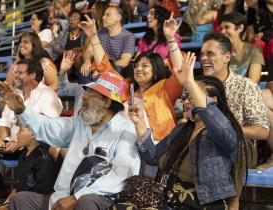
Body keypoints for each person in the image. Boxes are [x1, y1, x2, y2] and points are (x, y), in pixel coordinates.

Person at [111, 52, 246, 210]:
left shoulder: (224, 131)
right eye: (186, 96)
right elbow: (152, 157)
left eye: (192, 95)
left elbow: (217, 124)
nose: (186, 101)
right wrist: (139, 124)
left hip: (199, 205)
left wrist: (189, 82)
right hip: (166, 201)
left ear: (213, 101)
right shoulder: (181, 128)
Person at [0, 71, 141, 210]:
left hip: (103, 199)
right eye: (86, 92)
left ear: (107, 102)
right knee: (20, 200)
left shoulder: (126, 130)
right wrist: (21, 109)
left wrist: (76, 197)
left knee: (87, 202)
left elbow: (120, 175)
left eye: (91, 94)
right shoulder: (79, 124)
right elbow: (47, 126)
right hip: (63, 198)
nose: (84, 97)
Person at [78, 13, 183, 141]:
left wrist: (171, 38)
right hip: (123, 143)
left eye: (145, 66)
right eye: (136, 66)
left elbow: (180, 71)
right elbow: (105, 67)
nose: (138, 69)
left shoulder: (164, 89)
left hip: (156, 147)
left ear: (156, 70)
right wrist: (94, 37)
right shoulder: (126, 87)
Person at [0, 59, 63, 198]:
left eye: (20, 73)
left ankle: (22, 195)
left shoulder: (47, 95)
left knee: (36, 149)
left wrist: (18, 144)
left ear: (32, 75)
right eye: (15, 72)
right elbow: (4, 122)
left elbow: (45, 129)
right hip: (12, 143)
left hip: (32, 146)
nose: (16, 76)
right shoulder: (15, 94)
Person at [201, 32, 270, 210]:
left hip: (240, 146)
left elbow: (262, 131)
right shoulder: (198, 86)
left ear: (227, 57)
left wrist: (230, 128)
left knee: (228, 145)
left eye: (210, 54)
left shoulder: (245, 85)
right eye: (202, 54)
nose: (203, 58)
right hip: (203, 142)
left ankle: (232, 205)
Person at [0, 122, 58, 210]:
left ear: (33, 134)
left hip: (29, 204)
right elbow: (17, 188)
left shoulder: (44, 159)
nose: (16, 134)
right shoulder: (24, 154)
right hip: (17, 200)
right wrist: (4, 205)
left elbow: (40, 198)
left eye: (20, 130)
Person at [81, 5, 135, 77]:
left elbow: (124, 61)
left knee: (117, 69)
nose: (103, 17)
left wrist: (105, 67)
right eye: (104, 15)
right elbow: (88, 51)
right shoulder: (101, 32)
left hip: (116, 70)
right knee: (84, 71)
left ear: (118, 18)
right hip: (100, 67)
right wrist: (87, 61)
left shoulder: (128, 36)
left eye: (107, 15)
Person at [220, 12, 265, 83]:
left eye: (227, 27)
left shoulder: (254, 50)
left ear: (240, 28)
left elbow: (253, 81)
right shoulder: (220, 52)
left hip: (246, 92)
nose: (222, 31)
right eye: (221, 28)